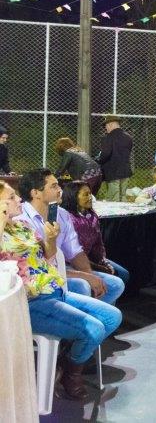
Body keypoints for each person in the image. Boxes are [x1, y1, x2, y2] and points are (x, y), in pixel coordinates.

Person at [1, 180, 121, 400]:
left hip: (54, 290)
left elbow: (47, 257)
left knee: (112, 317)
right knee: (93, 329)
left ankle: (64, 363)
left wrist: (51, 239)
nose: (18, 199)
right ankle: (71, 375)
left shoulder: (21, 226)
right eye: (11, 197)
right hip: (29, 302)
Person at [15, 169, 125, 305]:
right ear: (35, 193)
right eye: (54, 186)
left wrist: (90, 274)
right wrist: (84, 276)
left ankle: (89, 313)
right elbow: (40, 266)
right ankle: (76, 316)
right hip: (36, 275)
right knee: (82, 285)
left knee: (115, 285)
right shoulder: (20, 219)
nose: (60, 189)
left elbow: (75, 252)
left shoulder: (62, 214)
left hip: (61, 268)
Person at [61, 180, 131, 284]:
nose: (90, 197)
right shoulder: (68, 219)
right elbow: (72, 255)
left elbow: (98, 243)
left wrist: (103, 261)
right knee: (115, 281)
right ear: (73, 196)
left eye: (90, 193)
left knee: (123, 274)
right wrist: (98, 267)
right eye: (86, 194)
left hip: (92, 260)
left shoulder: (91, 215)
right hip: (73, 264)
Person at [96, 115, 134, 201]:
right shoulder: (128, 137)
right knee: (123, 196)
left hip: (112, 172)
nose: (106, 129)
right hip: (125, 171)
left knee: (113, 198)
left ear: (110, 124)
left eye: (106, 126)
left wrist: (98, 160)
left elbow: (105, 154)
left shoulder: (107, 138)